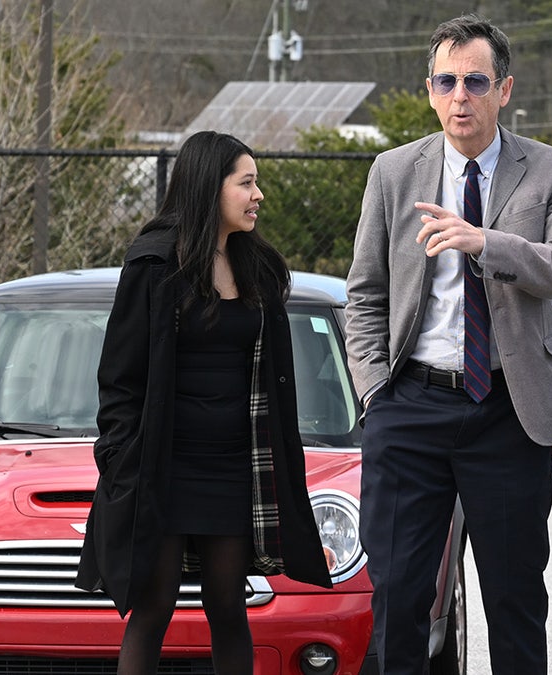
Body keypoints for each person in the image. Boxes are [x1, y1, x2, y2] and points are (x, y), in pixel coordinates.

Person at [344, 14, 552, 675]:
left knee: (512, 600)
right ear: (430, 90)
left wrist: (486, 242)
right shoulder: (395, 172)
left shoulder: (550, 171)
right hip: (411, 407)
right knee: (397, 595)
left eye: (475, 80)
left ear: (503, 90)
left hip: (507, 412)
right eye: (447, 81)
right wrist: (376, 392)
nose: (461, 95)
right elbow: (364, 294)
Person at [76, 130, 333, 675]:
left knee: (228, 607)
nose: (258, 194)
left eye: (256, 182)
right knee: (152, 609)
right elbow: (118, 379)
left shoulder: (257, 267)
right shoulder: (152, 265)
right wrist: (119, 460)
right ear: (208, 188)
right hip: (162, 470)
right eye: (246, 183)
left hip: (235, 470)